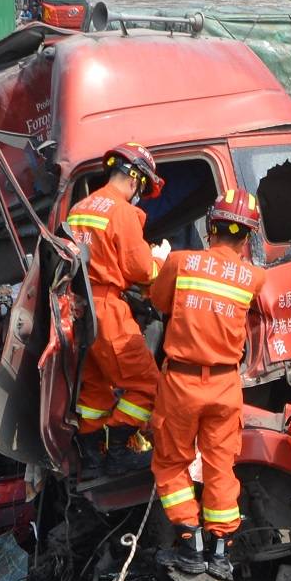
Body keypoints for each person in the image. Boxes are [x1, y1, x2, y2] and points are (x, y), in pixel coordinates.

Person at [146, 185, 265, 568]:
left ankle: (188, 540)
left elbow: (158, 302)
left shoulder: (180, 263)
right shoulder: (254, 278)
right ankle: (220, 548)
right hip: (225, 384)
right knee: (220, 465)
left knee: (171, 462)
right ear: (247, 237)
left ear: (211, 226)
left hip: (181, 383)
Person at [63, 143, 166, 449]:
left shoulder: (79, 208)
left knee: (94, 392)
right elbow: (142, 270)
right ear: (135, 180)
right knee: (147, 386)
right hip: (108, 311)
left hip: (78, 310)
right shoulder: (123, 212)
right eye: (142, 188)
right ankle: (118, 449)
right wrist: (160, 258)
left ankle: (90, 452)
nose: (138, 195)